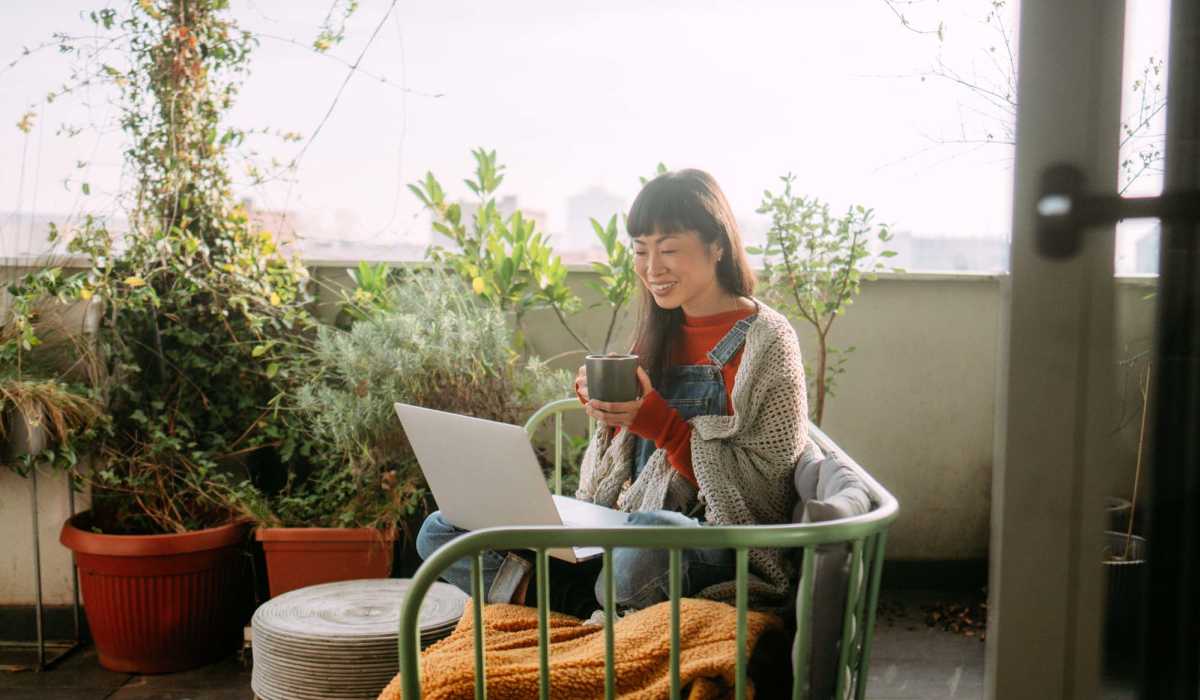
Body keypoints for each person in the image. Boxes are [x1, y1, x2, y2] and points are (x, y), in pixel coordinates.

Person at [416, 168, 809, 616]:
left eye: (669, 249)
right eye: (641, 251)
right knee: (441, 529)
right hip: (626, 534)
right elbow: (630, 468)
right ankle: (589, 603)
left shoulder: (768, 340)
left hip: (714, 544)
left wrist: (660, 426)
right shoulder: (661, 329)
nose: (652, 268)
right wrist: (607, 411)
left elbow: (766, 491)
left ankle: (571, 597)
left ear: (717, 245)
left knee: (649, 536)